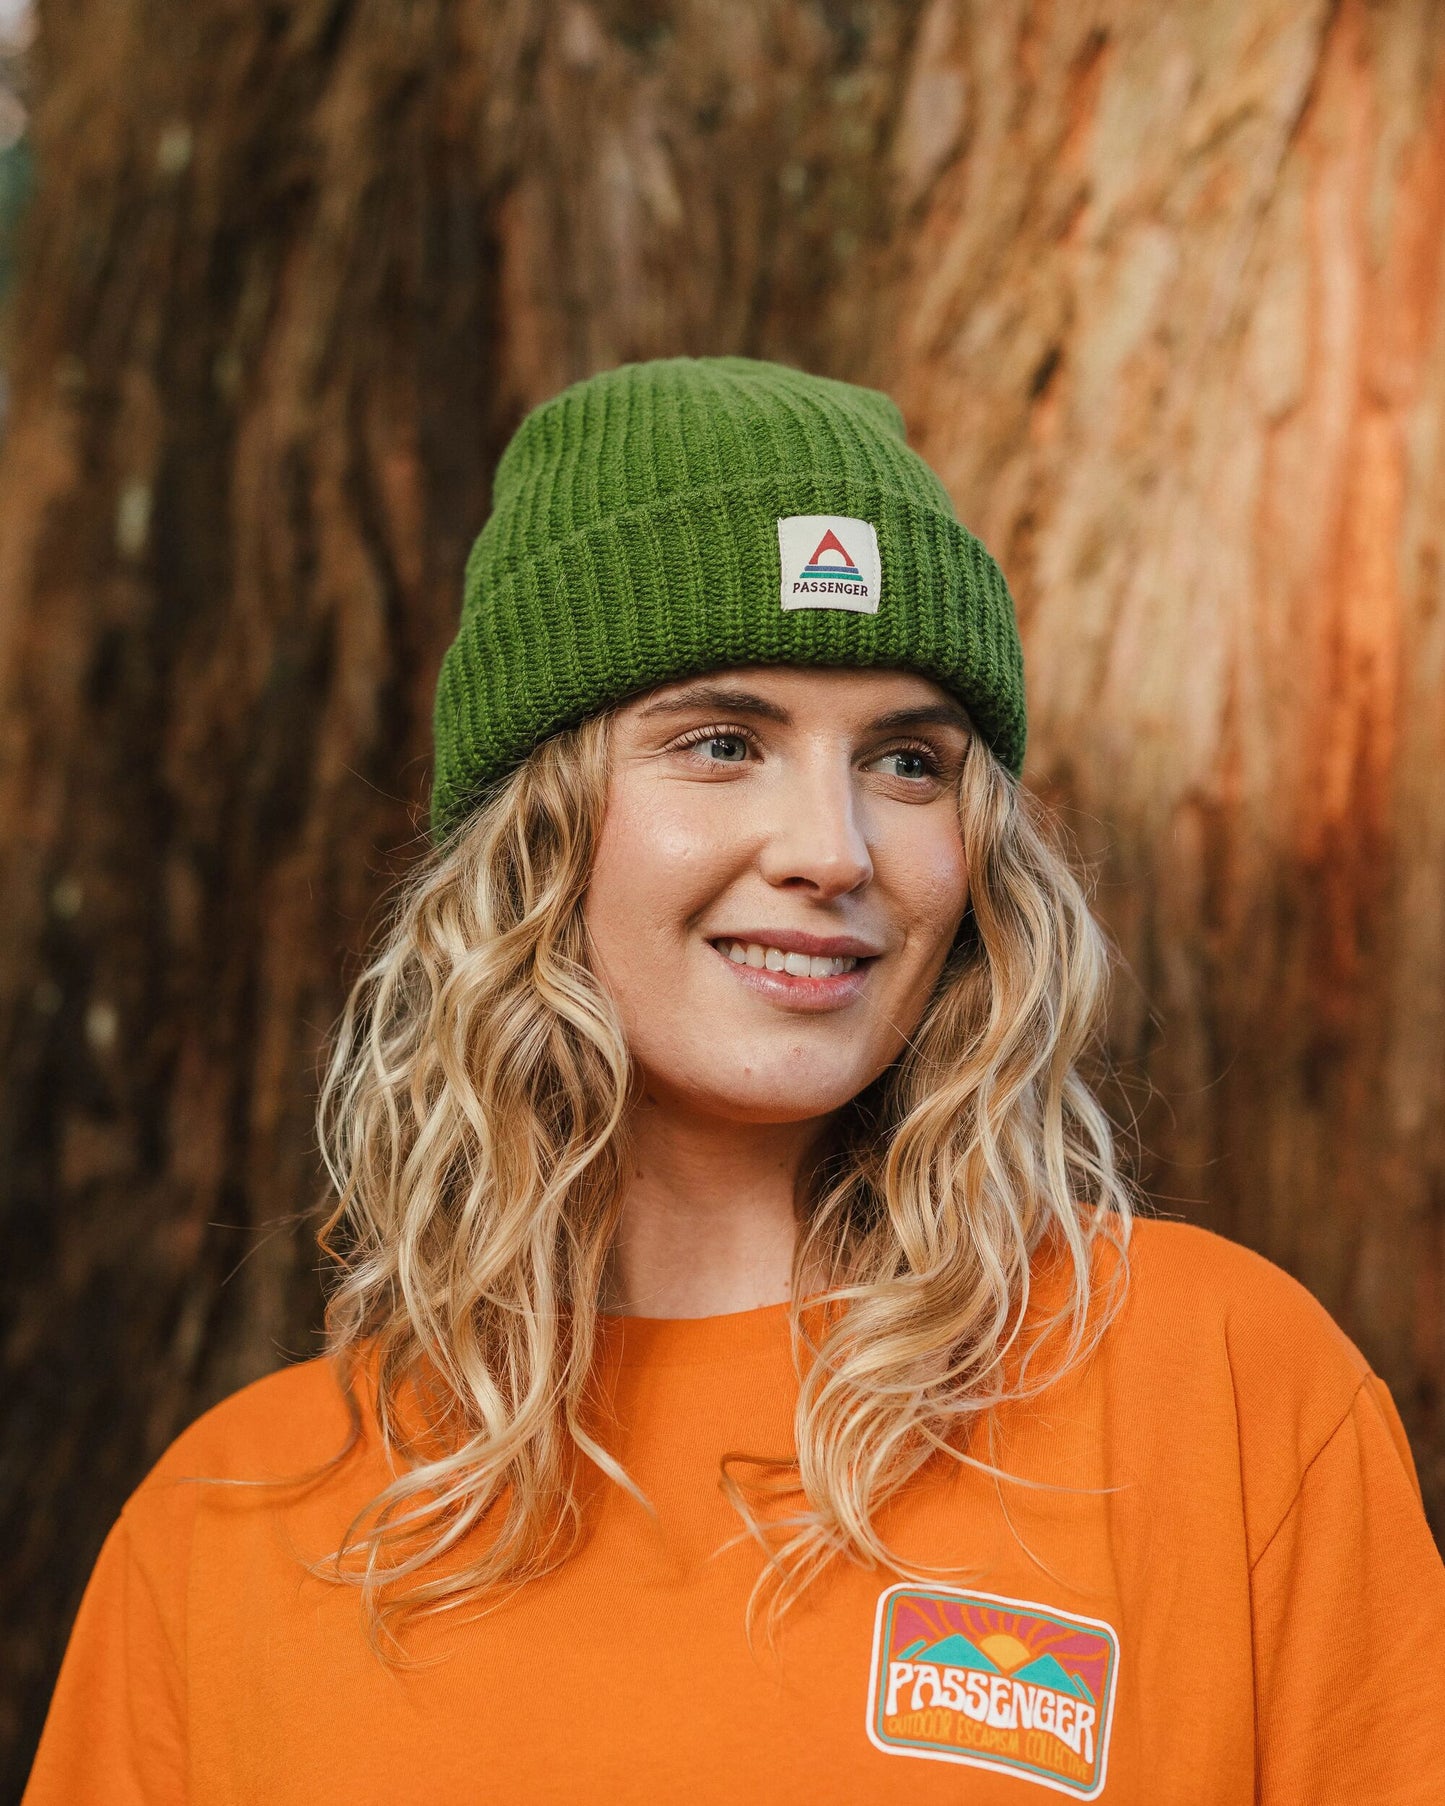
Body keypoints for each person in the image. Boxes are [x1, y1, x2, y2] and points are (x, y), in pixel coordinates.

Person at [22, 357, 1445, 1805]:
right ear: (533, 833)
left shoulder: (1219, 1392)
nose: (832, 848)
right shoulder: (224, 1530)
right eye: (721, 742)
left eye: (907, 760)